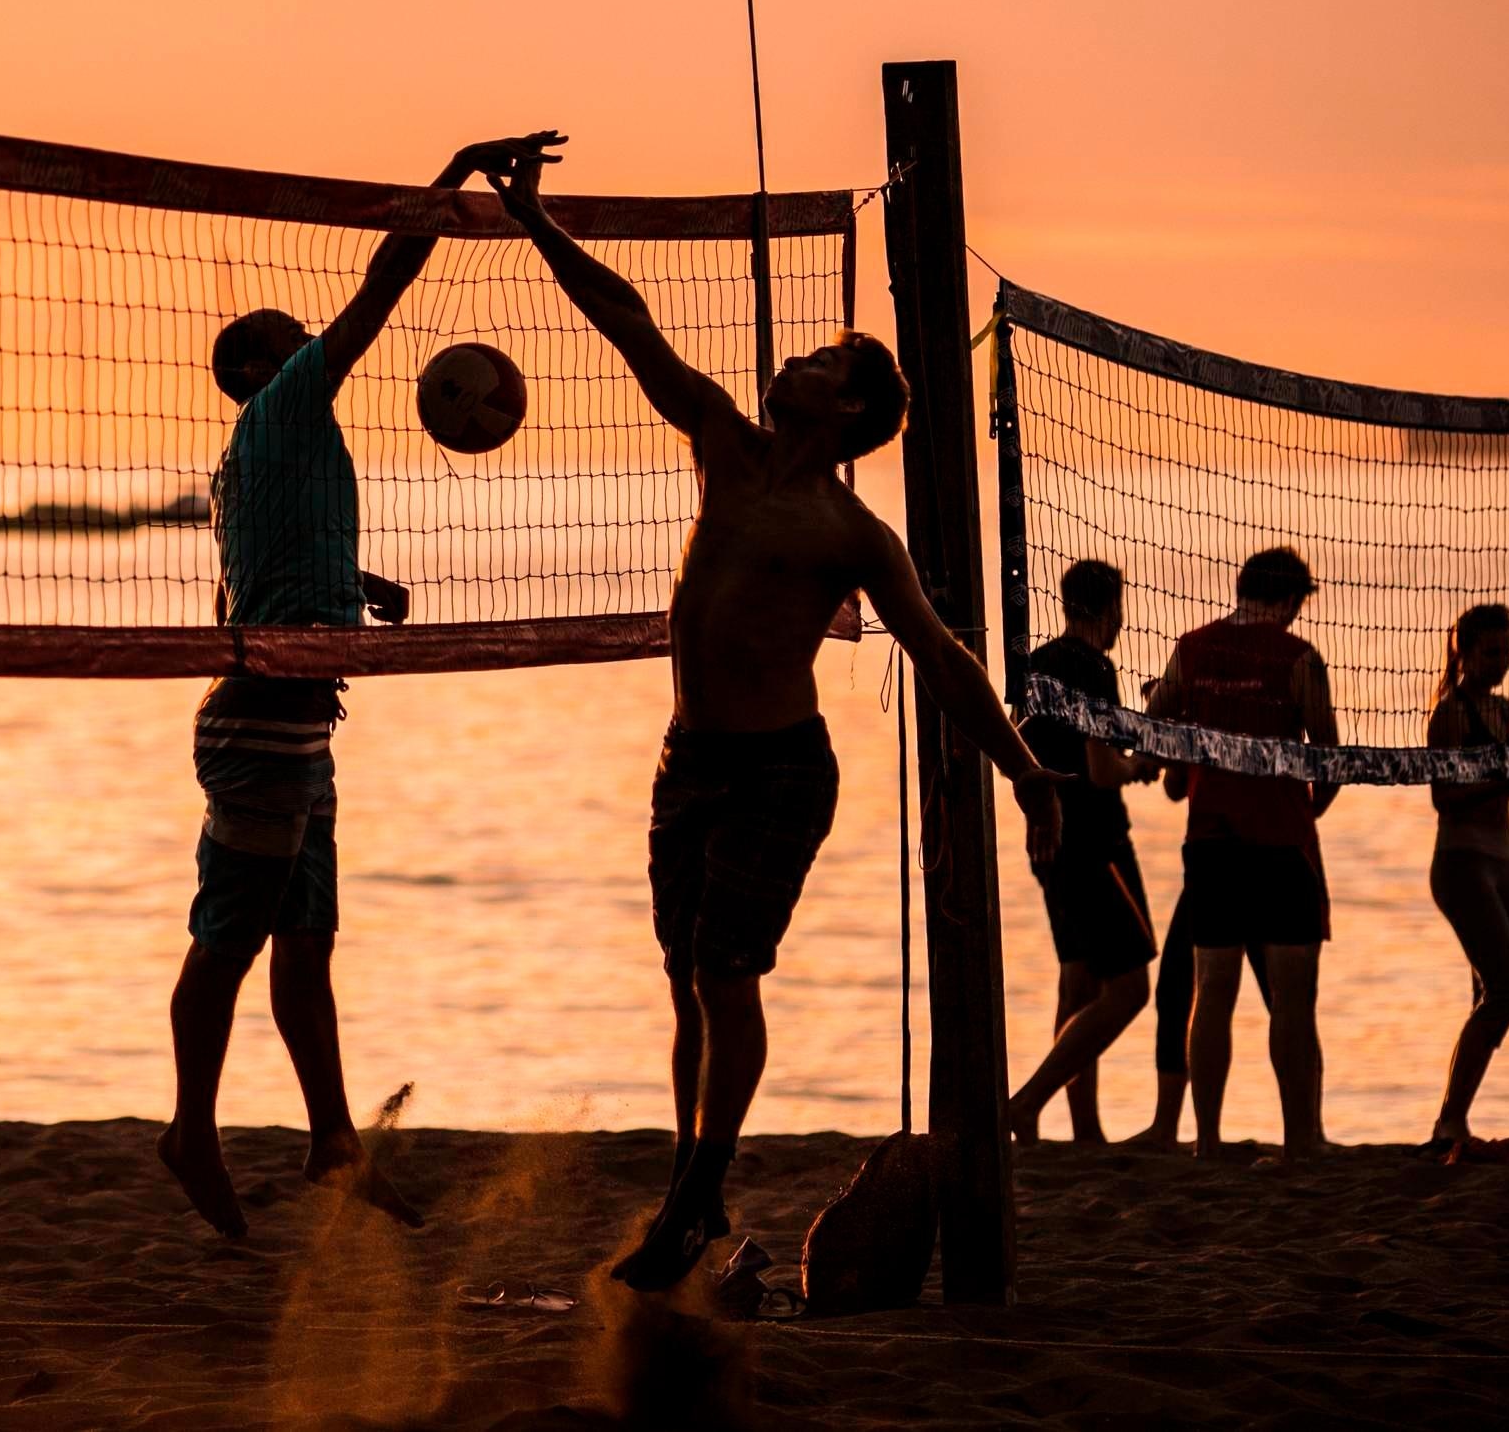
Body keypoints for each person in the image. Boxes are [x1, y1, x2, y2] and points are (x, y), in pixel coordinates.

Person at [489, 140, 1059, 1291]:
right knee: (684, 985)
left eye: (810, 358)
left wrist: (1027, 774)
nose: (786, 360)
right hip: (687, 757)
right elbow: (627, 320)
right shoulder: (722, 447)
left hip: (782, 772)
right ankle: (693, 1195)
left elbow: (944, 660)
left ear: (843, 406)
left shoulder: (850, 534)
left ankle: (699, 1187)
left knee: (720, 970)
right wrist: (533, 219)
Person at [158, 131, 544, 1243]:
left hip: (298, 721)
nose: (309, 341)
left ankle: (332, 1142)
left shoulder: (273, 448)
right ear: (260, 366)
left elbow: (269, 561)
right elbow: (384, 280)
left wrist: (359, 586)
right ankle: (190, 1128)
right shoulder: (281, 407)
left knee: (303, 944)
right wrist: (457, 172)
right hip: (261, 720)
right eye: (288, 339)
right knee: (228, 940)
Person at [1145, 547, 1335, 1157]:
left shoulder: (1192, 647)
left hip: (1212, 842)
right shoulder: (1298, 657)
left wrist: (1183, 764)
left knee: (1213, 989)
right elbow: (1329, 755)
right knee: (1292, 1000)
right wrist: (1310, 811)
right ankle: (1301, 1141)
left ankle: (1205, 1140)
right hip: (1281, 841)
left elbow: (1154, 721)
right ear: (1288, 601)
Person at [1006, 560, 1159, 1139]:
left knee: (1079, 979)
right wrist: (1138, 765)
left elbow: (1023, 746)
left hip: (1048, 836)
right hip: (1095, 840)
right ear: (1109, 610)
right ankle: (1027, 1102)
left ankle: (1085, 1130)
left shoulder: (1037, 663)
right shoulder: (1095, 667)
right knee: (1130, 988)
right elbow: (1100, 768)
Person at [1425, 602, 1509, 1158]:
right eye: (1492, 652)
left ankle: (1455, 1123)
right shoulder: (1450, 712)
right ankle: (1449, 1121)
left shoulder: (1504, 708)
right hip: (1461, 861)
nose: (1502, 662)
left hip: (1503, 858)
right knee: (1508, 991)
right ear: (1464, 653)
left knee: (1492, 996)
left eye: (1508, 651)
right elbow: (1444, 798)